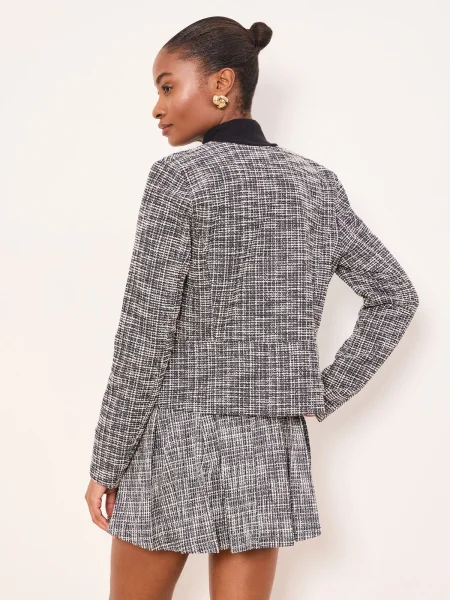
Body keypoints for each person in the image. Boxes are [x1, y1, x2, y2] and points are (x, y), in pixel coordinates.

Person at [85, 16, 419, 600]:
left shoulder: (179, 179)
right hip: (269, 444)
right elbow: (395, 295)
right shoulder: (316, 185)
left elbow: (144, 334)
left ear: (222, 83)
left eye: (167, 86)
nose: (157, 107)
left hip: (176, 436)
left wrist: (107, 462)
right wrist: (317, 393)